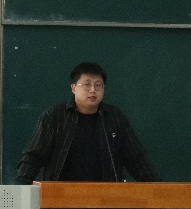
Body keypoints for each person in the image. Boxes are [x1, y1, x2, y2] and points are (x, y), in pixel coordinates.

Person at [15, 62, 160, 184]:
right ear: (73, 88)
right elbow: (33, 157)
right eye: (87, 85)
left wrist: (158, 188)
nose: (93, 90)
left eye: (98, 85)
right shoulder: (55, 116)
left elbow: (135, 159)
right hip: (60, 198)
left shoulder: (114, 117)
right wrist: (20, 188)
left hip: (107, 198)